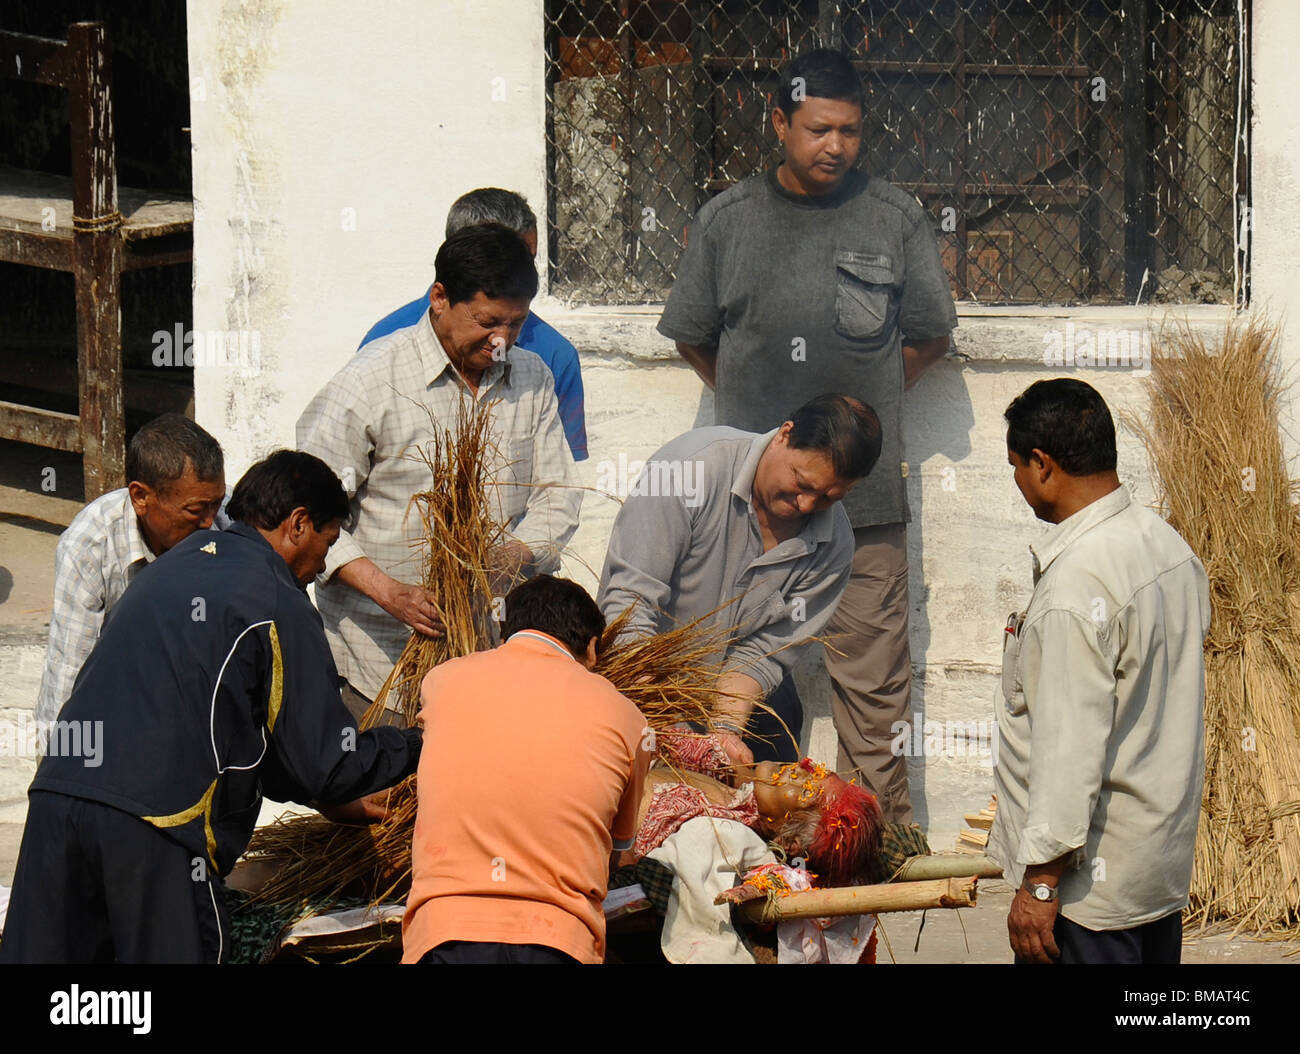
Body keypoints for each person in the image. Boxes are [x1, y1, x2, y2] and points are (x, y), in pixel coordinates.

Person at [657, 48, 958, 823]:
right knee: (709, 685)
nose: (835, 146)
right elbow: (694, 336)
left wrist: (855, 429)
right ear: (779, 123)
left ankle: (873, 855)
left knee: (874, 696)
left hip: (864, 512)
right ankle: (709, 845)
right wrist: (756, 411)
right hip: (741, 521)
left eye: (850, 131)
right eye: (819, 129)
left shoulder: (894, 218)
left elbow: (926, 336)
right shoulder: (727, 220)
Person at [0, 451, 422, 964]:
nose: (319, 568)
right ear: (298, 524)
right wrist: (422, 742)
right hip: (153, 825)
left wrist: (322, 798)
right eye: (327, 544)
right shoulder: (276, 600)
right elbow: (329, 762)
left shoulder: (173, 565)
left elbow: (243, 733)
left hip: (56, 802)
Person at [298, 223, 581, 724]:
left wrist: (515, 553)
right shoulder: (370, 382)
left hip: (490, 657)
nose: (502, 341)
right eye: (488, 321)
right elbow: (307, 517)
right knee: (386, 798)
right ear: (439, 298)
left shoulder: (533, 376)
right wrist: (389, 592)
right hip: (379, 666)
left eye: (516, 325)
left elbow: (558, 496)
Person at [987, 379, 1211, 965]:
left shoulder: (1076, 586)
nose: (1016, 482)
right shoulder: (1168, 548)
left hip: (1086, 896)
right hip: (1153, 872)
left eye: (1015, 466)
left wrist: (1039, 885)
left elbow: (1069, 752)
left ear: (1043, 464)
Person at [598, 393, 881, 768]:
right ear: (784, 434)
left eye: (829, 497)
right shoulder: (688, 471)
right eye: (802, 483)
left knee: (772, 758)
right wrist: (667, 725)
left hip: (735, 697)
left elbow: (762, 654)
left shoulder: (835, 545)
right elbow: (629, 603)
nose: (808, 505)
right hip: (639, 676)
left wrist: (724, 731)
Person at [402, 575, 650, 965]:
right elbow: (622, 849)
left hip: (443, 933)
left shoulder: (442, 682)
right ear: (592, 648)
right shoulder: (627, 718)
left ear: (505, 634)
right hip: (557, 938)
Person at [360, 187, 588, 461]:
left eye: (528, 259)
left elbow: (558, 483)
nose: (501, 339)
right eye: (505, 258)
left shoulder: (553, 355)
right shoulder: (382, 346)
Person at [34, 413, 227, 725]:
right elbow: (70, 675)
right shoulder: (89, 548)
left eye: (215, 504)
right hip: (119, 703)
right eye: (195, 510)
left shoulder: (226, 519)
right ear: (140, 497)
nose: (209, 521)